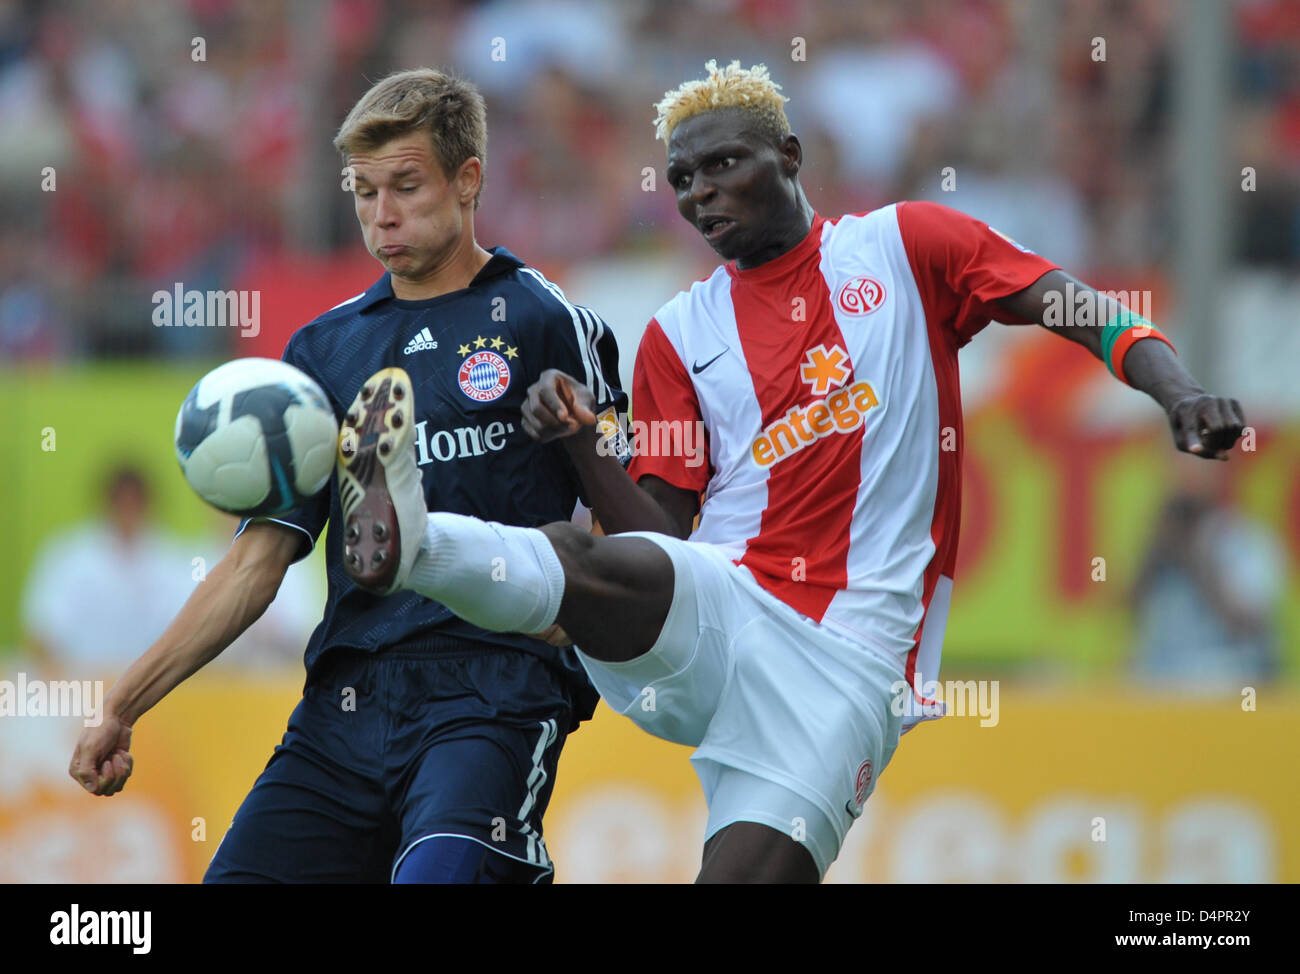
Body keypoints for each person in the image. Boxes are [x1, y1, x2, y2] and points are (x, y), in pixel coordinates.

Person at [339, 60, 1247, 883]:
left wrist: (1177, 388)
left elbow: (1071, 303)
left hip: (851, 661)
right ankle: (405, 538)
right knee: (574, 551)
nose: (700, 195)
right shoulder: (680, 335)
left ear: (790, 155)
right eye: (683, 180)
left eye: (724, 165)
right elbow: (659, 538)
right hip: (727, 598)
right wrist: (583, 441)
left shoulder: (906, 246)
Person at [69, 68, 626, 884]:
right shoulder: (324, 352)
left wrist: (582, 619)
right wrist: (123, 703)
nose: (382, 214)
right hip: (347, 700)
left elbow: (621, 518)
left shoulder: (547, 321)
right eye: (363, 192)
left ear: (468, 180)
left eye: (406, 186)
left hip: (494, 692)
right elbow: (255, 563)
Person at [23, 466, 192, 672]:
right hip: (80, 687)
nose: (128, 508)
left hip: (152, 689)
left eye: (134, 501)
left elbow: (187, 634)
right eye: (122, 500)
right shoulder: (68, 556)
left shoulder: (172, 559)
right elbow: (41, 632)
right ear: (107, 502)